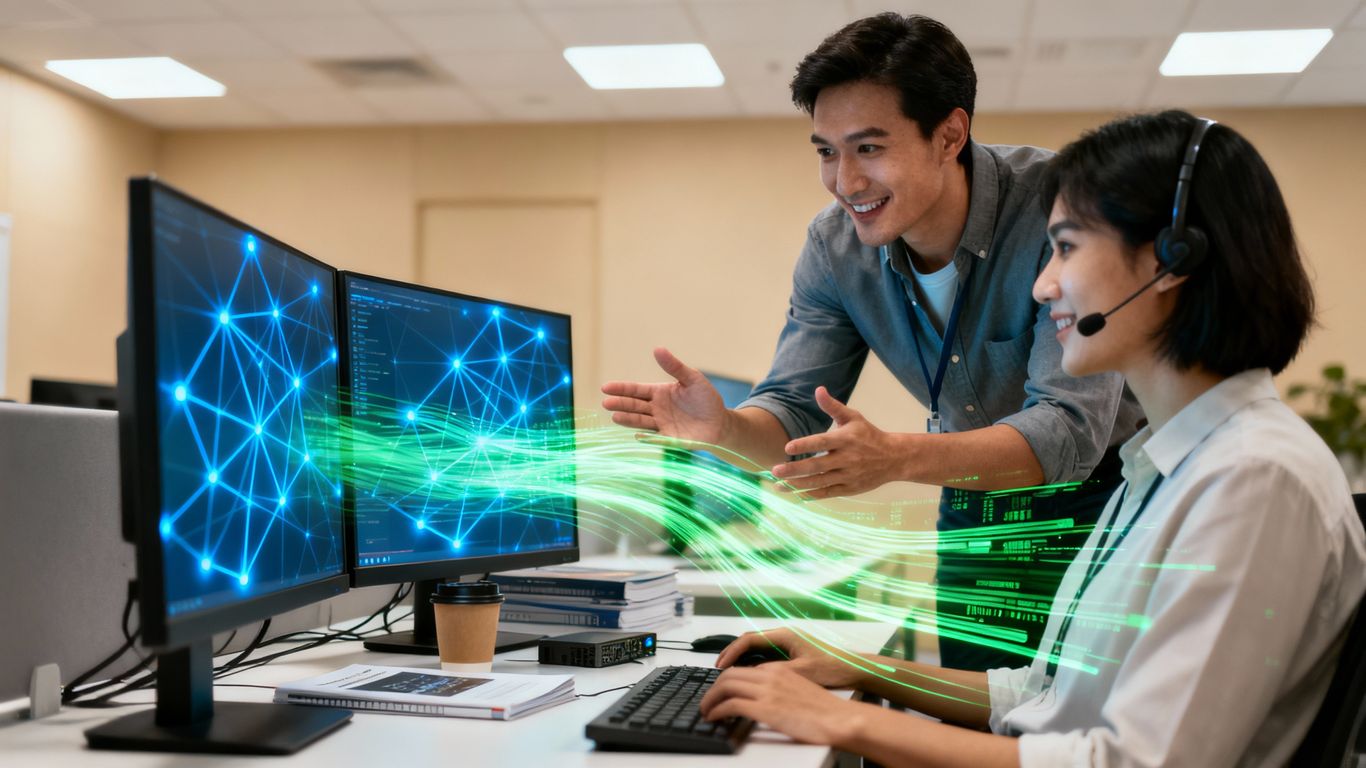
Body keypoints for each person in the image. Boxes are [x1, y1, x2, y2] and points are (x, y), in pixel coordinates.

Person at [697, 110, 1366, 766]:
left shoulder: (1253, 478)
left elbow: (1131, 761)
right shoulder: (1164, 468)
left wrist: (844, 722)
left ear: (1172, 260)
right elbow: (1045, 693)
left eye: (1067, 248)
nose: (1044, 286)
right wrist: (857, 670)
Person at [601, 12, 1142, 670]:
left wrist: (894, 458)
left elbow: (1070, 431)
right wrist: (725, 429)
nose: (845, 181)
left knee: (1084, 726)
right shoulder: (834, 249)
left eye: (869, 148)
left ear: (949, 135)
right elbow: (793, 414)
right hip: (974, 503)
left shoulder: (1060, 208)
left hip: (1100, 499)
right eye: (827, 151)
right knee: (979, 709)